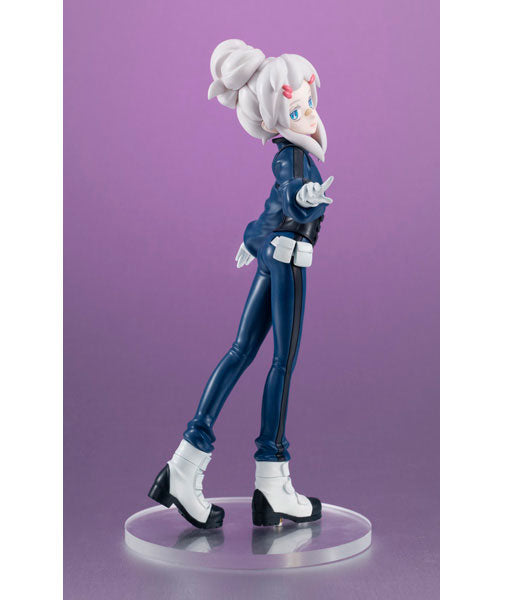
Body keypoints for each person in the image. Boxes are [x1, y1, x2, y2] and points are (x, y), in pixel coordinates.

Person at [149, 39, 335, 529]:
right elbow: (290, 193)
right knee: (281, 363)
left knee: (240, 351)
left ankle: (184, 465)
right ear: (272, 121)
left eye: (308, 103)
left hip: (271, 256)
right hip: (287, 265)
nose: (308, 114)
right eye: (296, 108)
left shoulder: (291, 156)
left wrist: (253, 237)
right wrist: (306, 197)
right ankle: (272, 479)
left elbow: (274, 205)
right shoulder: (294, 160)